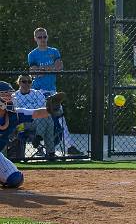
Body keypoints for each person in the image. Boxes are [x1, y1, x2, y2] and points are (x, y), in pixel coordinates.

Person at [28, 27, 82, 155]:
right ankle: (41, 148)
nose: (42, 40)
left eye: (44, 37)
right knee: (42, 118)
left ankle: (69, 147)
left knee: (60, 117)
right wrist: (49, 68)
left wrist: (43, 69)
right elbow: (35, 72)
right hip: (38, 92)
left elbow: (59, 67)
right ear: (35, 39)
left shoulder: (54, 51)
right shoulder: (32, 54)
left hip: (52, 91)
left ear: (47, 37)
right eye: (39, 37)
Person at [0, 81, 63, 187]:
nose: (10, 98)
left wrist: (50, 109)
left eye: (10, 95)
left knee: (15, 179)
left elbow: (36, 113)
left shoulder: (15, 114)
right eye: (5, 95)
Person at [12, 75, 55, 158]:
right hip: (23, 123)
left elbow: (42, 109)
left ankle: (38, 137)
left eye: (29, 82)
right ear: (19, 83)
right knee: (47, 120)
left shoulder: (37, 93)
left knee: (46, 117)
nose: (27, 84)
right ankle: (51, 153)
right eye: (24, 81)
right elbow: (16, 114)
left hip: (38, 121)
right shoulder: (15, 96)